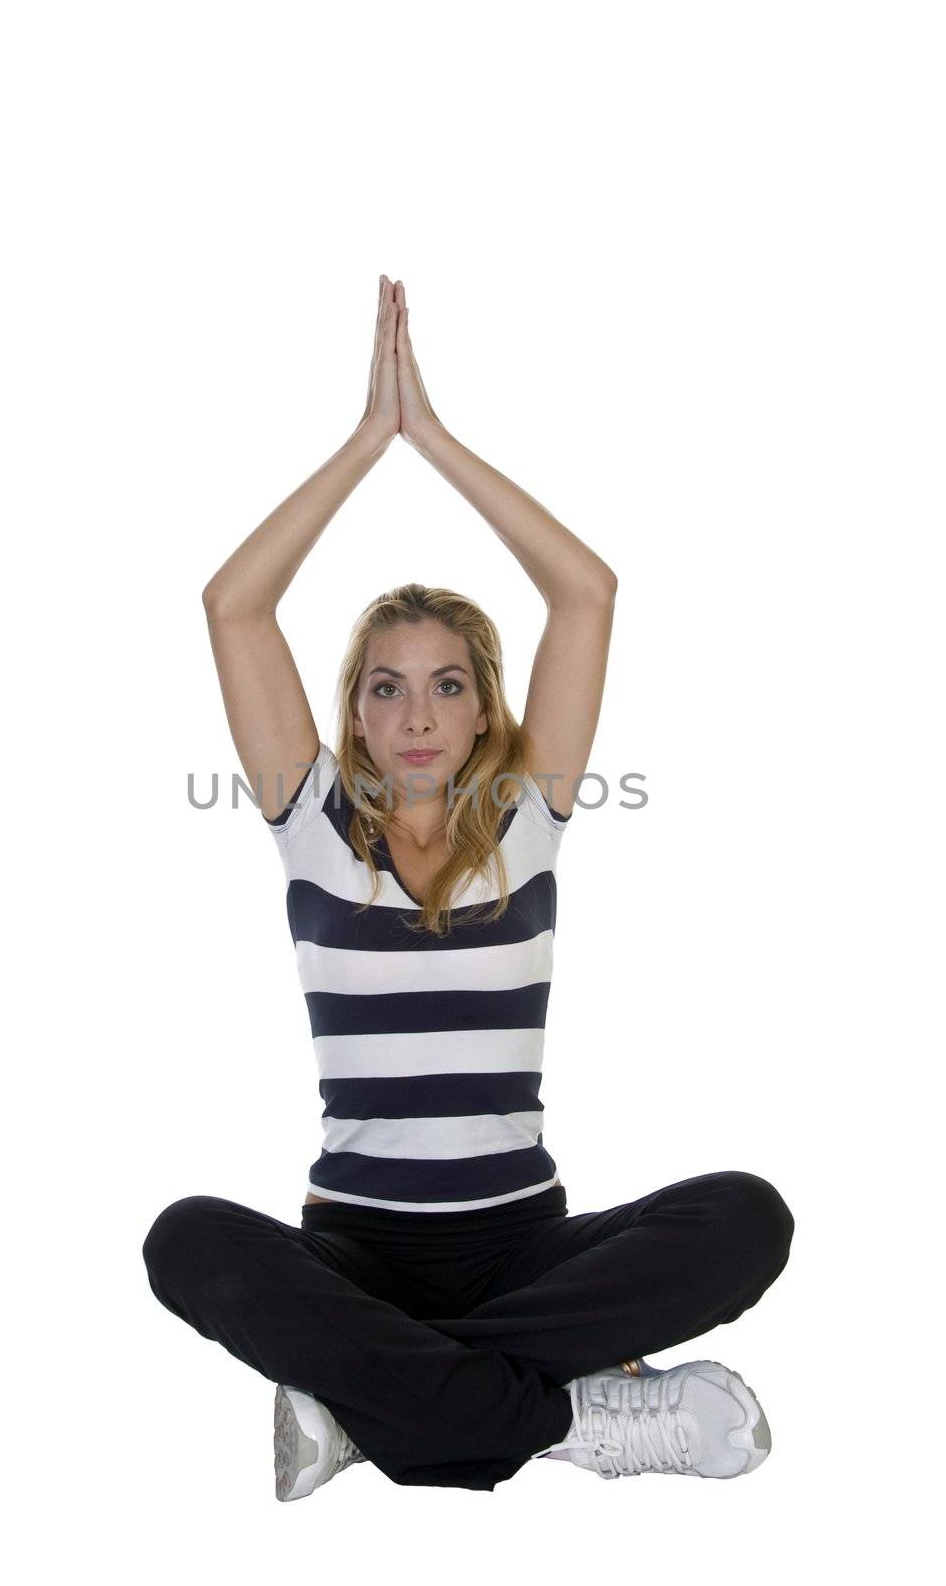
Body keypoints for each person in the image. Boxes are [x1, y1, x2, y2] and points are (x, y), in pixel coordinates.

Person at [142, 275, 795, 1500]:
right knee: (184, 1241)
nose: (417, 712)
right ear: (355, 714)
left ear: (485, 704)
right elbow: (234, 606)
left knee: (745, 1215)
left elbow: (585, 591)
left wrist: (432, 441)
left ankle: (366, 1405)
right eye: (385, 686)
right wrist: (362, 444)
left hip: (523, 1246)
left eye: (446, 683)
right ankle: (571, 1417)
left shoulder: (527, 818)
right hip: (354, 1251)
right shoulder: (315, 823)